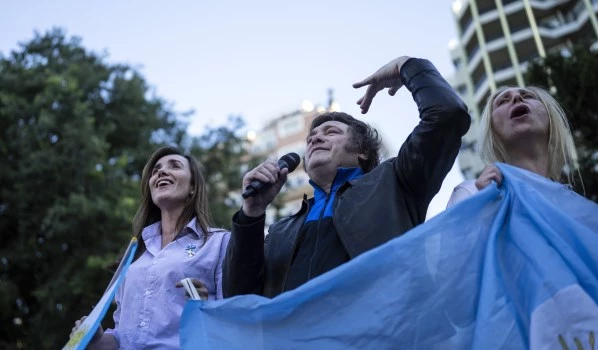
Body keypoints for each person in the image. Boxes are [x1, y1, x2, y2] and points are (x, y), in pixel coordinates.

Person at [223, 56, 471, 298]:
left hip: (382, 337)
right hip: (292, 340)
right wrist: (251, 213)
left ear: (363, 152)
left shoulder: (395, 183)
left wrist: (406, 66)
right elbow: (238, 298)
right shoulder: (280, 231)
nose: (315, 138)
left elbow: (448, 115)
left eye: (331, 132)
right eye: (311, 137)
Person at [71, 146, 230, 349]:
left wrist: (206, 307)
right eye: (156, 170)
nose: (161, 172)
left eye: (175, 166)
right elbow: (122, 334)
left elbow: (231, 320)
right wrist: (97, 340)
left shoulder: (219, 243)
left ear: (193, 187)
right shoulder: (133, 255)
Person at [446, 86, 579, 208]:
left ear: (550, 118)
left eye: (528, 96)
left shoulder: (574, 205)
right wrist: (486, 207)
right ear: (492, 130)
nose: (517, 98)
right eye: (502, 101)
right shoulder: (470, 193)